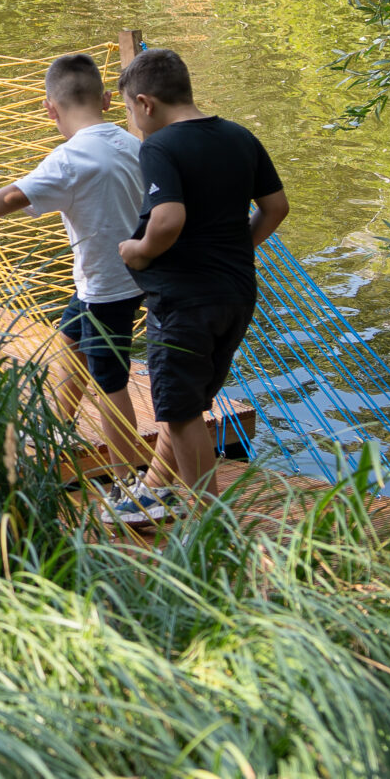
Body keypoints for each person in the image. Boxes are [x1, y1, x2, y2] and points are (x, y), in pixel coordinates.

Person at [0, 52, 159, 523]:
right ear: (105, 99)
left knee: (111, 384)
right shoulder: (133, 143)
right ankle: (56, 440)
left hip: (107, 287)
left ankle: (131, 493)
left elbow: (13, 197)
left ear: (49, 110)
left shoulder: (71, 158)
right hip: (136, 275)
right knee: (70, 341)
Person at [114, 45, 288, 517]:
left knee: (179, 409)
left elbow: (168, 218)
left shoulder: (160, 146)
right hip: (236, 294)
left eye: (131, 112)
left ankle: (214, 526)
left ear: (146, 103)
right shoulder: (239, 136)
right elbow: (276, 208)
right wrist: (238, 249)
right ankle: (153, 493)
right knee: (188, 403)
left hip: (183, 302)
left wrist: (138, 250)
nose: (134, 122)